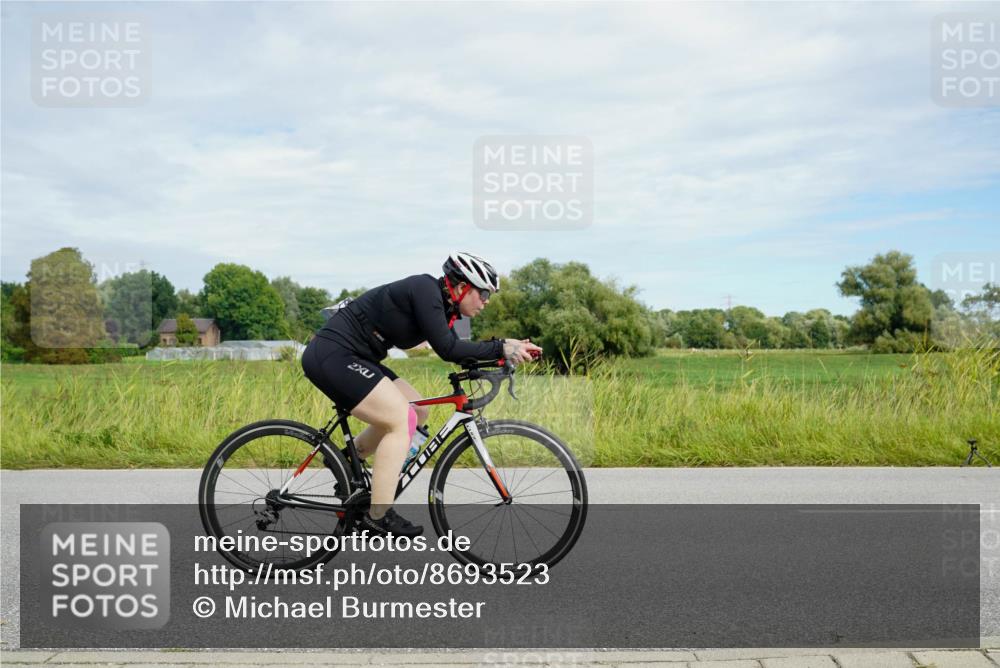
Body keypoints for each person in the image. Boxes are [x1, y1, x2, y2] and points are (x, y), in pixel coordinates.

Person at [301, 252, 542, 537]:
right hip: (333, 354)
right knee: (400, 420)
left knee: (418, 410)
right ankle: (377, 516)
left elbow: (456, 348)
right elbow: (448, 350)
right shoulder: (425, 290)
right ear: (463, 285)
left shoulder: (445, 308)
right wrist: (501, 347)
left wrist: (505, 353)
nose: (486, 302)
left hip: (357, 357)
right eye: (483, 294)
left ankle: (346, 461)